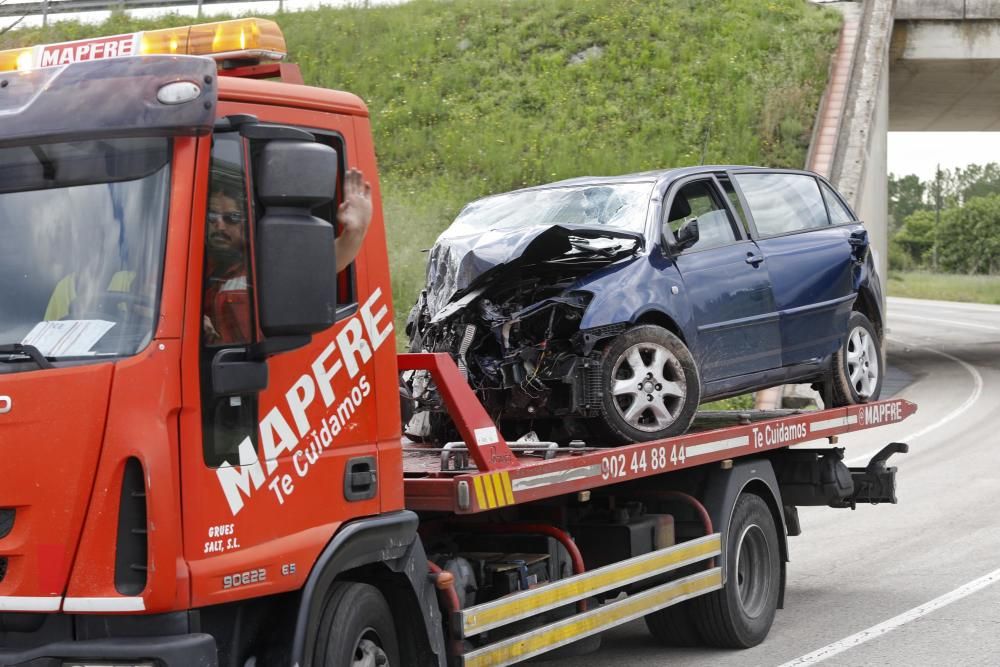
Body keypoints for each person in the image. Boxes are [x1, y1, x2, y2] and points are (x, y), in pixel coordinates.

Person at [202, 167, 373, 344]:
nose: (220, 226)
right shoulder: (192, 262)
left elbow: (327, 262)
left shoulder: (268, 262)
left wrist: (355, 231)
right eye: (213, 216)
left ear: (248, 220)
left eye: (232, 218)